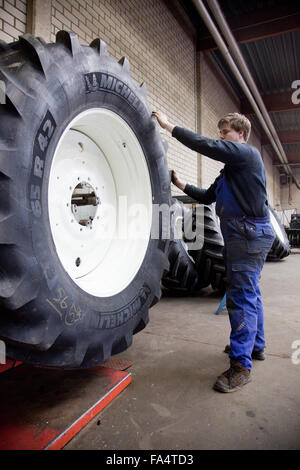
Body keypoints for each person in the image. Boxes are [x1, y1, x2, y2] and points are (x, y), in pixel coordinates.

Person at [152, 110, 275, 393]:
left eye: (225, 132)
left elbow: (206, 146)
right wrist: (180, 184)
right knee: (249, 291)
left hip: (248, 235)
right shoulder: (229, 174)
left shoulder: (248, 155)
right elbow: (208, 196)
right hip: (242, 235)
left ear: (240, 134)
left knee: (240, 296)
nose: (221, 138)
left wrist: (170, 126)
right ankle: (256, 346)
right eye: (220, 133)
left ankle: (241, 366)